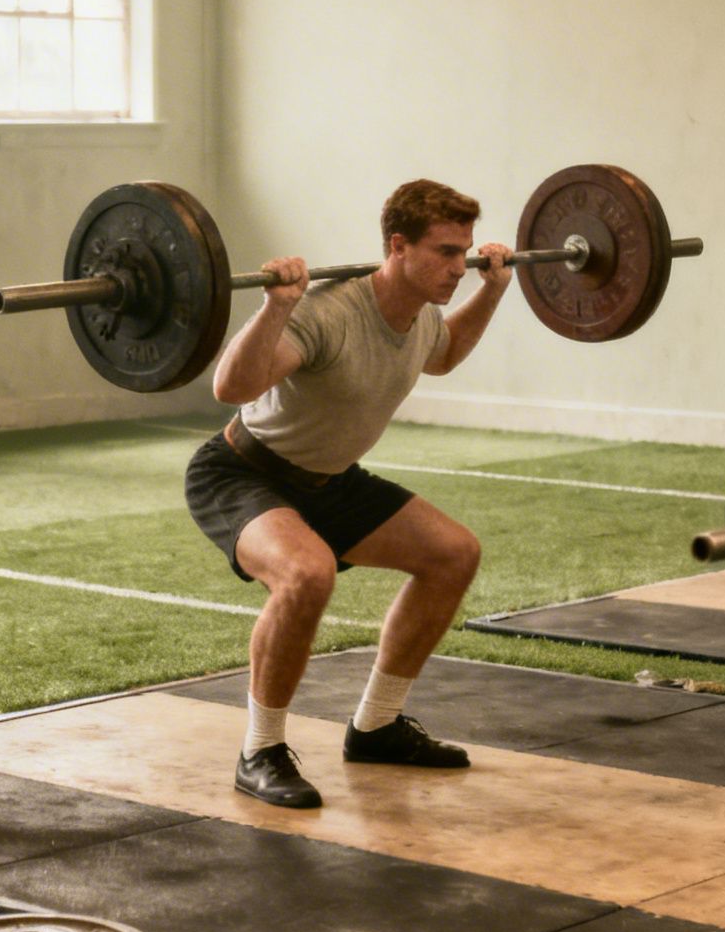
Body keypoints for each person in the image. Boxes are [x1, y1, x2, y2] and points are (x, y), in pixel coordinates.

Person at [184, 179, 515, 809]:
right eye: (446, 252)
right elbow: (231, 386)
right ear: (397, 246)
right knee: (306, 575)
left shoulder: (421, 315)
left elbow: (441, 356)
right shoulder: (330, 312)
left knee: (452, 553)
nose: (460, 266)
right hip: (243, 472)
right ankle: (260, 750)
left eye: (465, 251)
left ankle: (377, 727)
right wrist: (278, 305)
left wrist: (493, 292)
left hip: (331, 481)